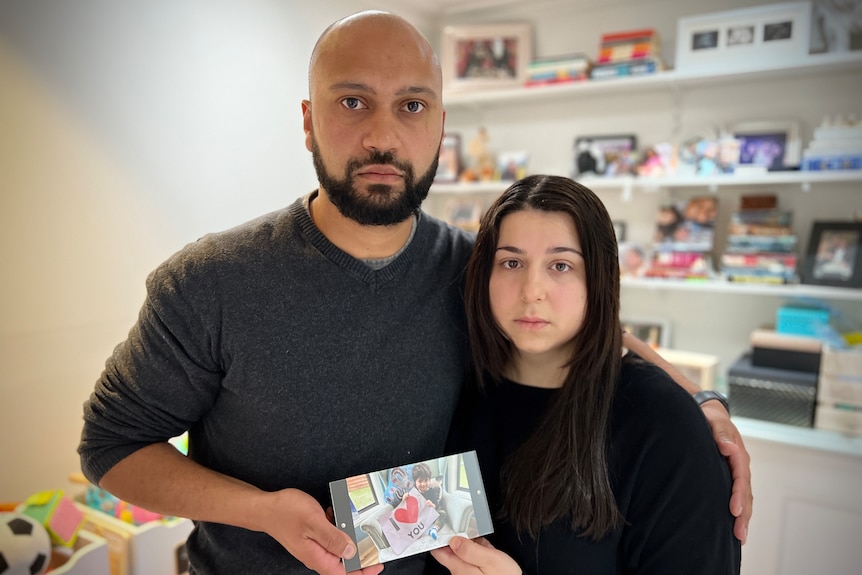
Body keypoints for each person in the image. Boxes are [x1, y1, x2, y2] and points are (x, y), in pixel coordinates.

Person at [77, 11, 751, 575]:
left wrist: (700, 406)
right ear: (308, 121)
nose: (382, 134)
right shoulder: (210, 281)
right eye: (352, 102)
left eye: (411, 105)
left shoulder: (474, 268)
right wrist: (261, 510)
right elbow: (108, 444)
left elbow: (566, 323)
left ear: (438, 126)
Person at [430, 175, 741, 575]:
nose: (532, 290)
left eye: (561, 265)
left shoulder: (663, 425)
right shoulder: (457, 389)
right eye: (512, 262)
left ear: (599, 279)